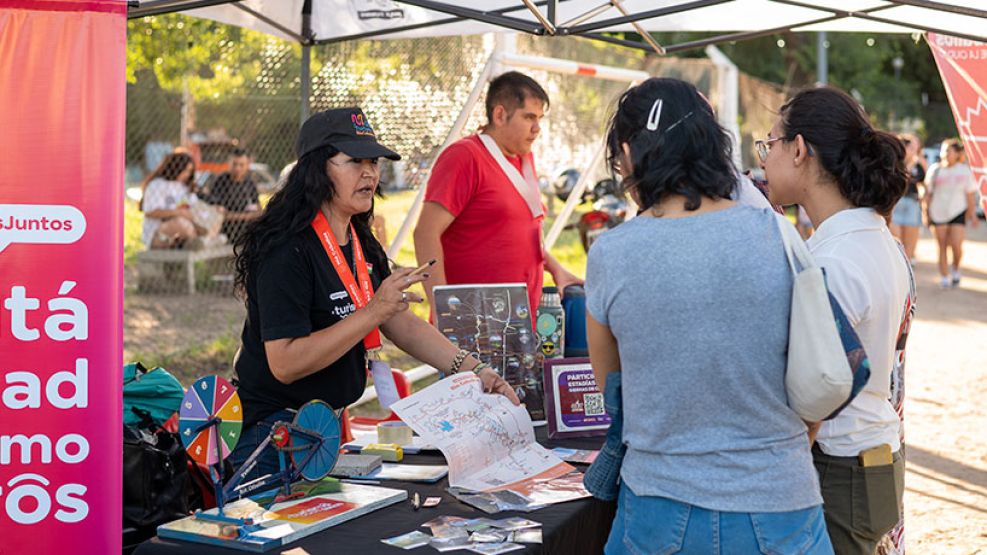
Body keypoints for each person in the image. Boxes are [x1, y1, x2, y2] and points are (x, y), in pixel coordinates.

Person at [586, 77, 833, 554]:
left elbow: (612, 388)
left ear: (628, 154)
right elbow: (814, 377)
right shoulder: (775, 232)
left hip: (659, 507)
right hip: (779, 499)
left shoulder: (612, 253)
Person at [230, 107, 519, 479]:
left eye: (374, 162)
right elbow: (285, 364)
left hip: (319, 430)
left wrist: (477, 371)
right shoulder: (287, 250)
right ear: (315, 169)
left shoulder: (359, 240)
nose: (369, 172)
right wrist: (372, 312)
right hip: (271, 436)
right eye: (354, 161)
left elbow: (402, 323)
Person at [760, 86, 913, 555]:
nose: (764, 160)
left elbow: (813, 395)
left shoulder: (835, 261)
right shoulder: (870, 236)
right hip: (868, 457)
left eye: (769, 144)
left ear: (799, 150)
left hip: (838, 468)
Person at [413, 71, 581, 320]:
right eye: (529, 117)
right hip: (473, 323)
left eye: (540, 119)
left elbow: (518, 232)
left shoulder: (524, 158)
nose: (537, 129)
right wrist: (443, 310)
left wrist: (556, 269)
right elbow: (425, 234)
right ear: (500, 115)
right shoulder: (465, 156)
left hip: (519, 321)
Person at [925, 138, 978, 288]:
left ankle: (955, 269)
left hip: (958, 211)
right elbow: (928, 194)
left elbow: (970, 194)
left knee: (956, 245)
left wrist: (972, 214)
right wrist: (926, 213)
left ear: (957, 153)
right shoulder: (935, 170)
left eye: (949, 151)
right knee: (941, 245)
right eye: (944, 150)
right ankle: (944, 276)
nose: (946, 153)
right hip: (938, 211)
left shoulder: (964, 170)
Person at [140, 151, 212, 249]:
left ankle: (201, 241)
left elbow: (195, 206)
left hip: (186, 226)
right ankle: (201, 243)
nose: (187, 174)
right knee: (182, 224)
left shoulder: (184, 187)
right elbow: (150, 212)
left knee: (211, 218)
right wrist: (179, 212)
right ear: (175, 167)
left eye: (190, 171)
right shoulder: (157, 184)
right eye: (185, 170)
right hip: (158, 232)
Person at [204, 147, 262, 242]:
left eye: (241, 165)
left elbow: (259, 210)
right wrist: (247, 216)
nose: (237, 168)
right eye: (234, 164)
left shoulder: (250, 183)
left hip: (247, 226)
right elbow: (219, 212)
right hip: (227, 228)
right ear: (229, 163)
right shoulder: (221, 181)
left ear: (247, 165)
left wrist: (235, 215)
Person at [890, 133, 927, 264]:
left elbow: (924, 180)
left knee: (909, 243)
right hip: (896, 203)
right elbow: (901, 179)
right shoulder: (894, 163)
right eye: (909, 147)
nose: (911, 151)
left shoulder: (917, 164)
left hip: (912, 202)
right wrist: (910, 163)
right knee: (895, 240)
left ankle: (908, 266)